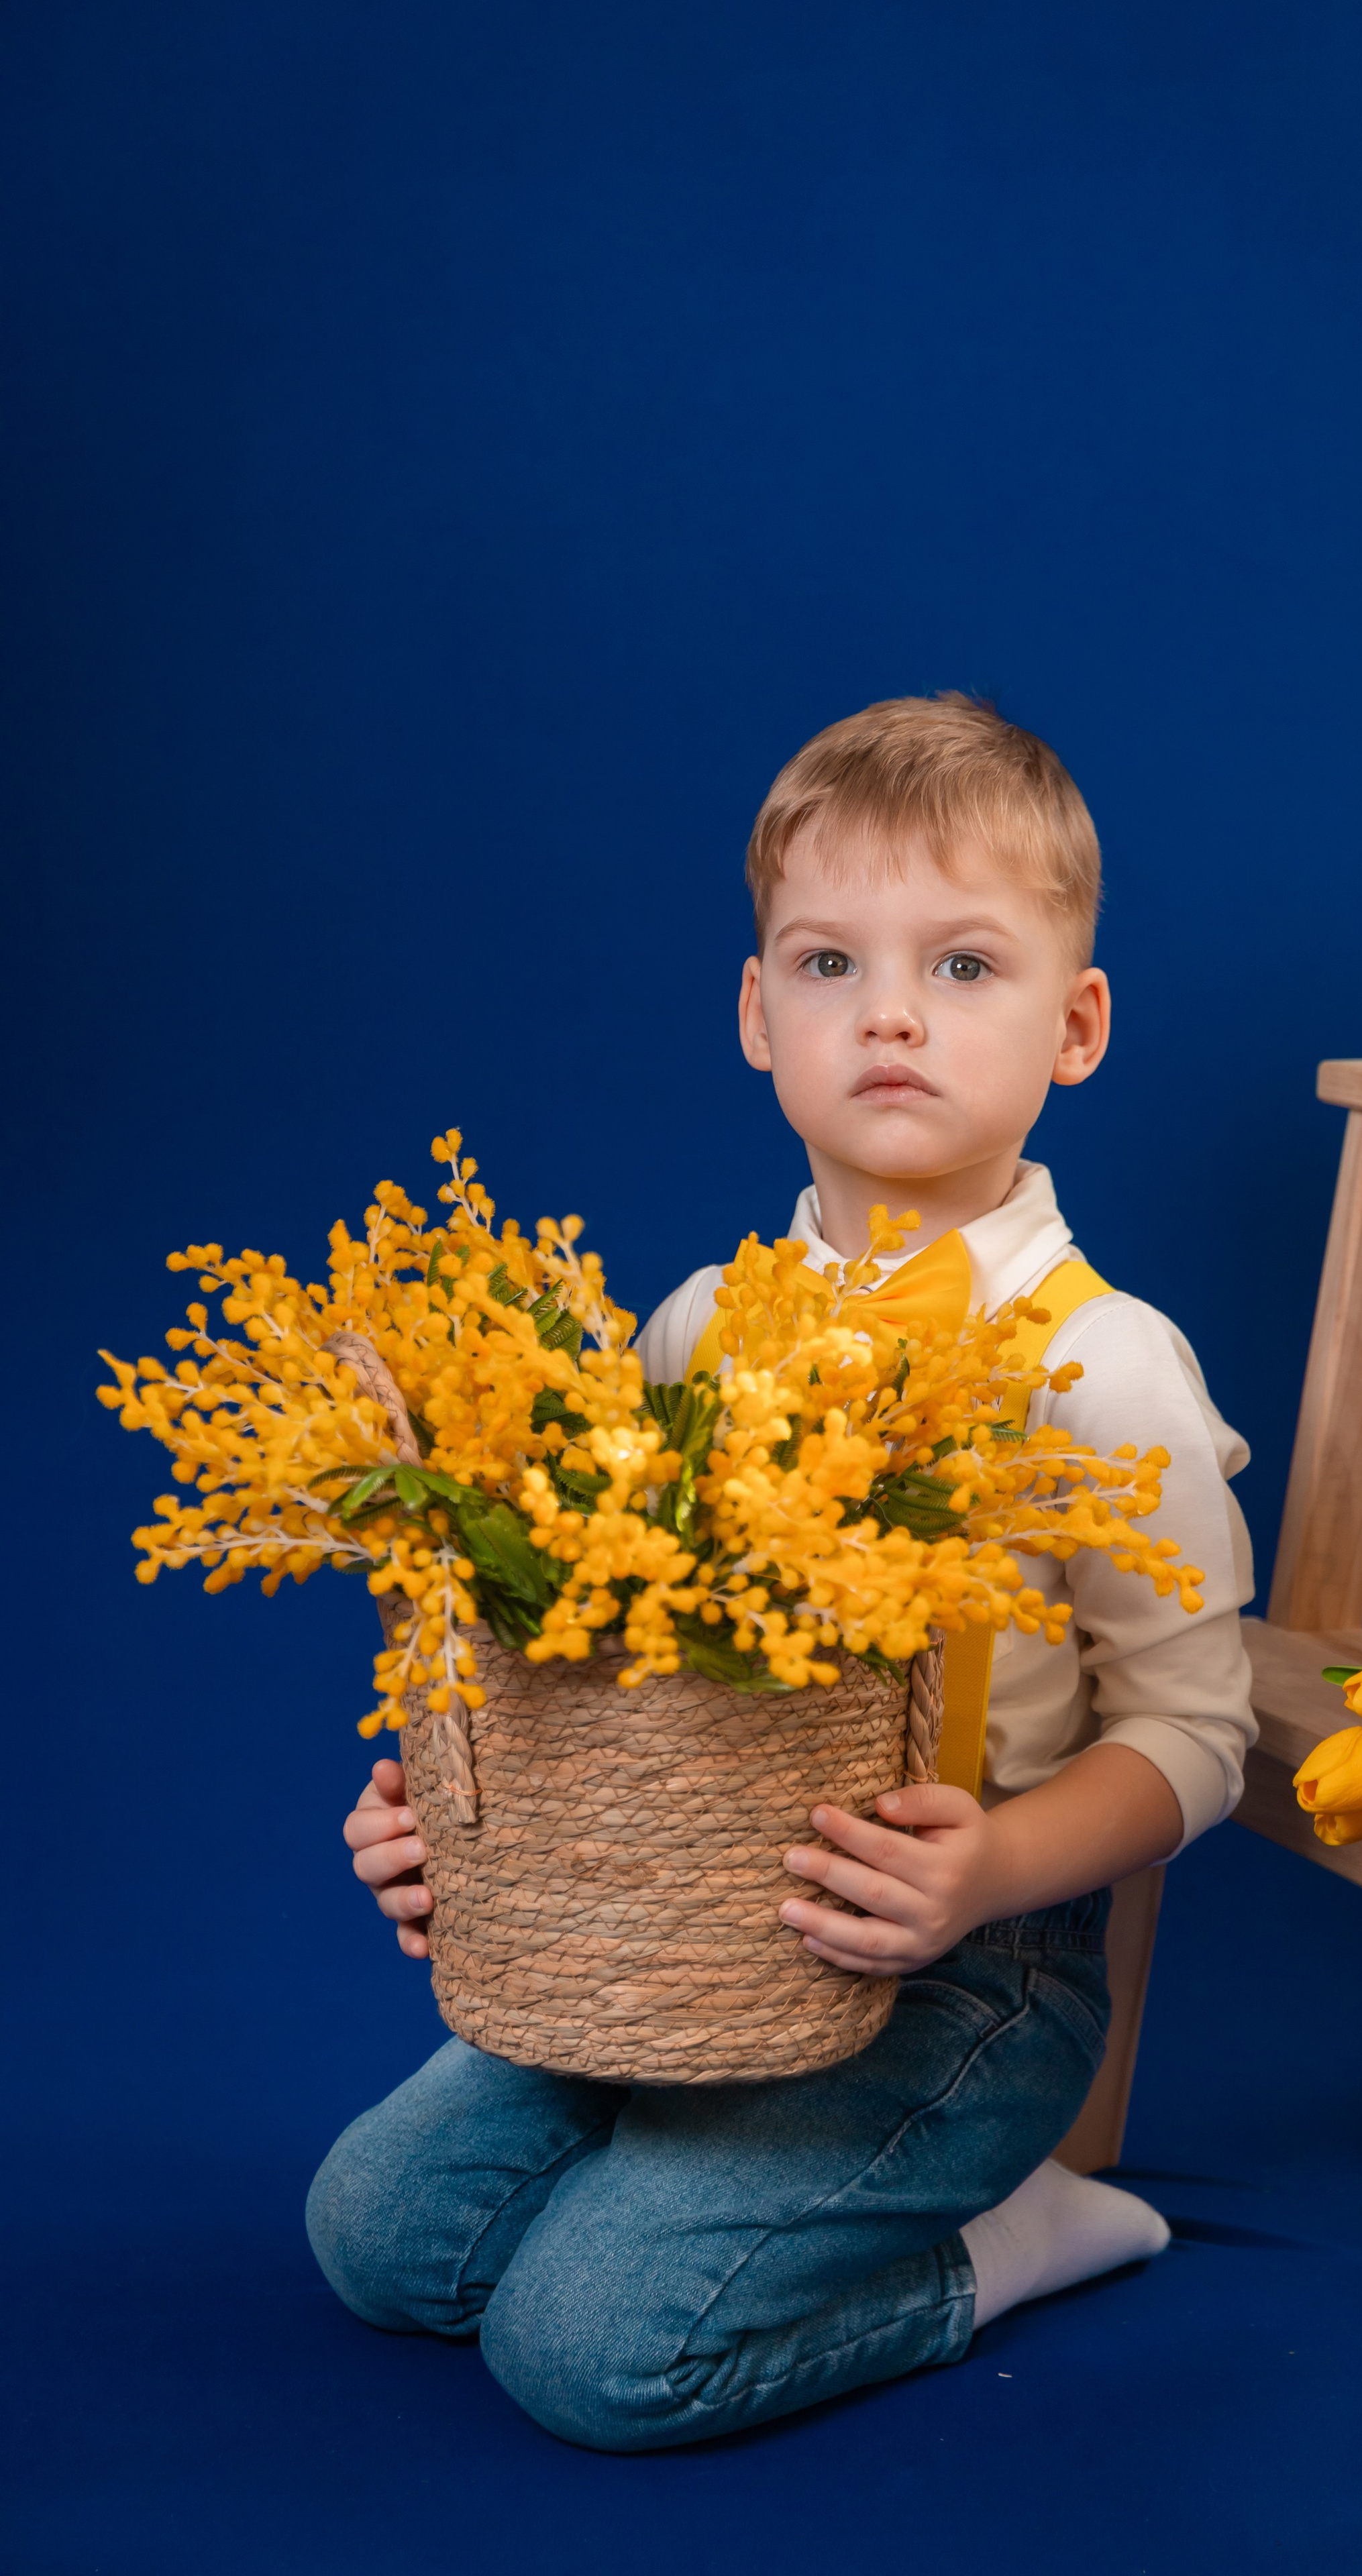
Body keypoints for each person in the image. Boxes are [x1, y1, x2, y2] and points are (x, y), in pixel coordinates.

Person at [307, 694, 1257, 2449]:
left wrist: (991, 1870)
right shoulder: (694, 1330)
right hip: (677, 1926)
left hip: (963, 1970)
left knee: (590, 2354)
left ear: (1077, 1025)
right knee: (376, 2239)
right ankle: (692, 2161)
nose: (890, 1012)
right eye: (831, 964)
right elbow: (610, 1663)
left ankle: (1011, 2233)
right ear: (759, 1015)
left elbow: (1201, 1734)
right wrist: (465, 1816)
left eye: (963, 966)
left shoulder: (1102, 1365)